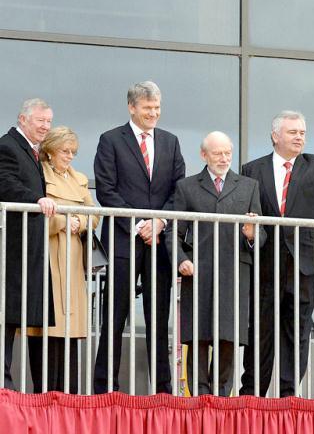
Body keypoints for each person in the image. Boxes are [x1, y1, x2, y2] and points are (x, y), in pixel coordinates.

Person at [239, 110, 314, 397]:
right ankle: (252, 392)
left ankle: (289, 394)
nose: (299, 137)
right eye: (293, 132)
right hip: (266, 262)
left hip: (303, 263)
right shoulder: (251, 170)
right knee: (262, 329)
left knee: (299, 329)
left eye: (302, 132)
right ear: (275, 136)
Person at [93, 81, 185, 393]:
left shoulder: (171, 142)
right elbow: (106, 190)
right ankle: (104, 388)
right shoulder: (110, 140)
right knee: (114, 317)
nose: (153, 113)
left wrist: (158, 223)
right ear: (132, 107)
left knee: (159, 320)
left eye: (157, 108)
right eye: (148, 108)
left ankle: (162, 390)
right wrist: (140, 223)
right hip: (123, 240)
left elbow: (179, 190)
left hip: (158, 244)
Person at [166, 131, 261, 396]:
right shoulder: (187, 187)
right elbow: (173, 231)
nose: (223, 158)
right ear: (203, 155)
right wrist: (181, 260)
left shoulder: (248, 186)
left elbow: (260, 233)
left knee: (228, 337)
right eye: (217, 153)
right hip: (199, 271)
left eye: (227, 153)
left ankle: (221, 397)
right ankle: (199, 396)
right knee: (198, 336)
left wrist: (253, 234)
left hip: (234, 272)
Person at [26, 126, 100, 393]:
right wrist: (61, 221)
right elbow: (33, 216)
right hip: (48, 252)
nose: (69, 156)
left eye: (73, 152)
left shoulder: (78, 178)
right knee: (47, 324)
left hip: (73, 257)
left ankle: (69, 396)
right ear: (50, 151)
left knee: (71, 327)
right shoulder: (39, 175)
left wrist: (79, 221)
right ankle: (45, 394)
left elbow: (94, 214)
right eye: (64, 151)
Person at [0, 99, 56, 389]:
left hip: (25, 249)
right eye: (40, 121)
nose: (46, 127)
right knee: (4, 318)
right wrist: (35, 200)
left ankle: (6, 386)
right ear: (23, 119)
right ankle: (3, 388)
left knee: (11, 318)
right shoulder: (8, 146)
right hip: (11, 250)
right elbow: (5, 183)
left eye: (49, 122)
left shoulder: (32, 152)